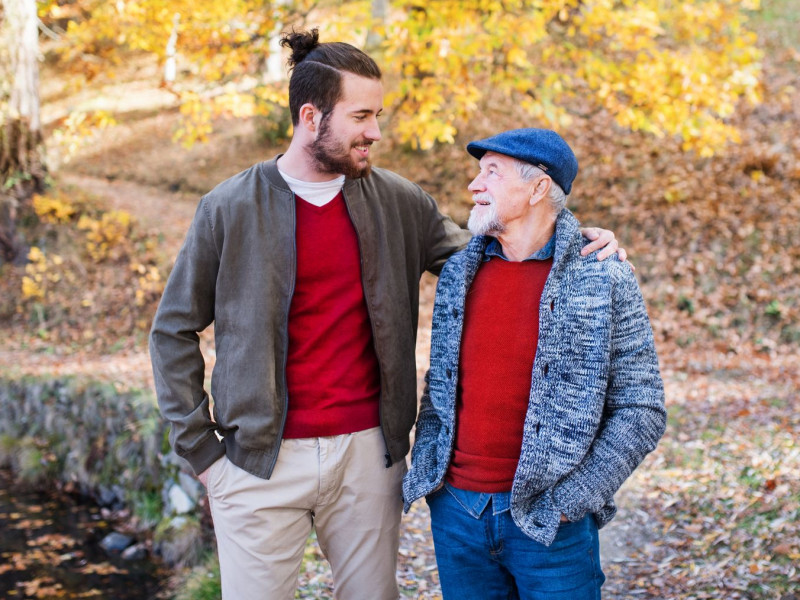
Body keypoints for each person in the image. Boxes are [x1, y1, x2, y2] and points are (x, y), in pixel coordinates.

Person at [149, 29, 625, 599]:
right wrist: (202, 452)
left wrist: (572, 235)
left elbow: (490, 259)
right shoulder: (229, 208)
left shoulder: (399, 201)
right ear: (310, 116)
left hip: (368, 460)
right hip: (256, 464)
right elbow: (172, 329)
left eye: (377, 115)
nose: (375, 131)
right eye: (361, 116)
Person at [402, 128, 667, 599]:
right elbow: (440, 387)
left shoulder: (602, 275)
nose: (474, 185)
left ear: (539, 187)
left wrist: (573, 499)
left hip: (551, 524)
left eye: (492, 172)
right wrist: (431, 469)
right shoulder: (459, 273)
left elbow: (641, 407)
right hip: (456, 513)